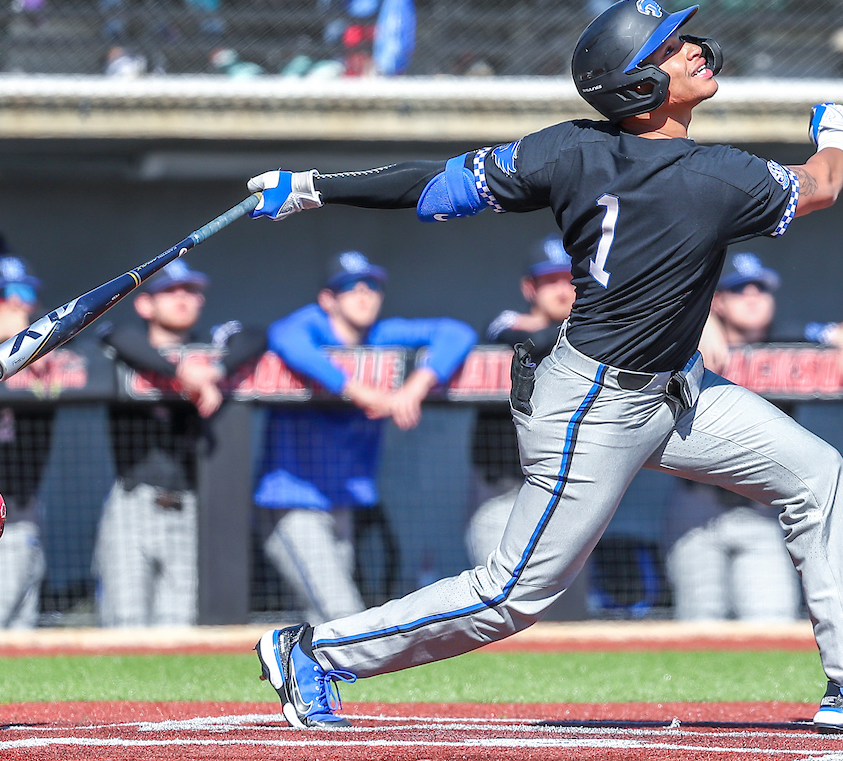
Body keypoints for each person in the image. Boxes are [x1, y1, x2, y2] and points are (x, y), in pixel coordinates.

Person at [245, 0, 843, 735]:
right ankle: (315, 652)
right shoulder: (715, 175)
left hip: (682, 394)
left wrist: (311, 187)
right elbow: (823, 185)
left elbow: (435, 187)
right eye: (667, 48)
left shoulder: (571, 150)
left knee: (816, 472)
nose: (691, 51)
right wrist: (835, 132)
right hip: (594, 404)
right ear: (637, 88)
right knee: (515, 594)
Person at [254, 250, 477, 626]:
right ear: (328, 299)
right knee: (344, 615)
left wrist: (417, 384)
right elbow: (283, 337)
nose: (364, 295)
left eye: (372, 287)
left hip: (343, 507)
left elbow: (457, 332)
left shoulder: (382, 334)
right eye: (350, 288)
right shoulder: (309, 327)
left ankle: (306, 681)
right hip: (292, 503)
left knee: (321, 621)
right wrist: (356, 389)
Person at [666, 251, 843, 622]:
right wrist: (697, 323)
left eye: (761, 289)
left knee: (772, 619)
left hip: (760, 509)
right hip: (696, 507)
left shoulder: (788, 338)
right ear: (717, 301)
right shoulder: (686, 338)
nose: (752, 296)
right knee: (698, 623)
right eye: (739, 289)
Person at [95, 259, 266, 627]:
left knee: (181, 624)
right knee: (123, 623)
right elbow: (112, 334)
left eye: (190, 291)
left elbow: (254, 336)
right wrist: (180, 373)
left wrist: (213, 371)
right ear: (145, 304)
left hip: (190, 504)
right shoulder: (129, 343)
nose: (183, 299)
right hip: (133, 502)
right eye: (170, 291)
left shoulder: (211, 349)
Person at [468, 234, 576, 566]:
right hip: (503, 494)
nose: (561, 289)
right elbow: (514, 337)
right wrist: (577, 326)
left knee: (570, 616)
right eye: (549, 280)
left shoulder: (588, 339)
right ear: (530, 288)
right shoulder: (505, 322)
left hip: (565, 497)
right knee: (497, 603)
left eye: (569, 280)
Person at [0, 257, 50, 629]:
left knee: (7, 638)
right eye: (6, 293)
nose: (19, 302)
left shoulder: (49, 345)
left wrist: (29, 339)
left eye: (26, 292)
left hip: (11, 519)